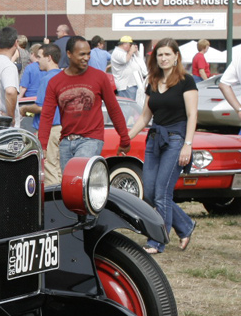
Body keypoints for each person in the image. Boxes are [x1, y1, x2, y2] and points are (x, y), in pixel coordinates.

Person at [126, 38, 197, 254]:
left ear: (176, 56)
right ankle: (185, 225)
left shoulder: (186, 81)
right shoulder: (154, 81)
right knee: (149, 192)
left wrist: (188, 145)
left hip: (176, 140)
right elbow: (144, 117)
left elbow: (192, 115)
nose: (163, 58)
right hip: (155, 140)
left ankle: (157, 241)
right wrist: (126, 138)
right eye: (160, 55)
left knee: (162, 193)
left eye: (167, 54)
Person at [38, 36, 131, 170]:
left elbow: (113, 109)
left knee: (79, 175)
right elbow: (47, 115)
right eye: (82, 54)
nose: (86, 58)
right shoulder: (55, 82)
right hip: (66, 141)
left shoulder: (99, 77)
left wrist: (124, 139)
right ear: (69, 54)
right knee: (69, 182)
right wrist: (42, 145)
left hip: (91, 139)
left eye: (88, 54)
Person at [20, 44, 65, 185]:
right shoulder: (64, 76)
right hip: (62, 128)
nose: (37, 60)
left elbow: (41, 107)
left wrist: (24, 109)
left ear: (49, 58)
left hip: (49, 130)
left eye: (39, 57)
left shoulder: (47, 79)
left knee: (49, 168)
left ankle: (54, 197)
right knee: (59, 169)